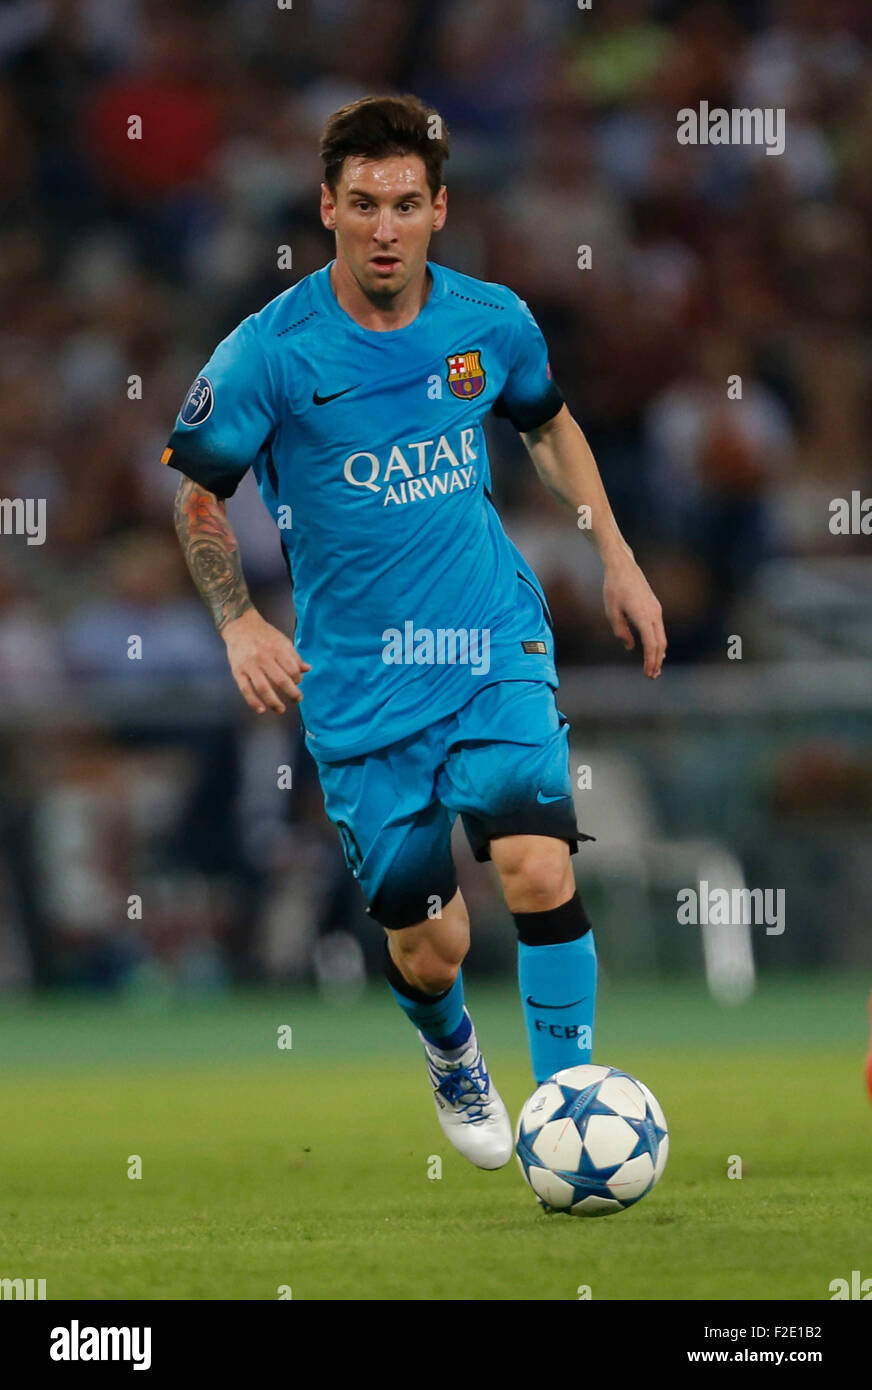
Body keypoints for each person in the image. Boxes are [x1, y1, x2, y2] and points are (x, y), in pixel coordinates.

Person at [164, 95, 666, 1170]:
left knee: (535, 865)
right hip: (357, 688)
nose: (383, 226)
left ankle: (567, 1111)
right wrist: (239, 618)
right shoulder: (270, 353)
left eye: (404, 203)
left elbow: (546, 424)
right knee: (429, 944)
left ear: (438, 208)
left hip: (490, 642)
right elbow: (197, 495)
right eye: (361, 204)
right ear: (326, 207)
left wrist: (616, 557)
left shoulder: (490, 322)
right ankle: (449, 1052)